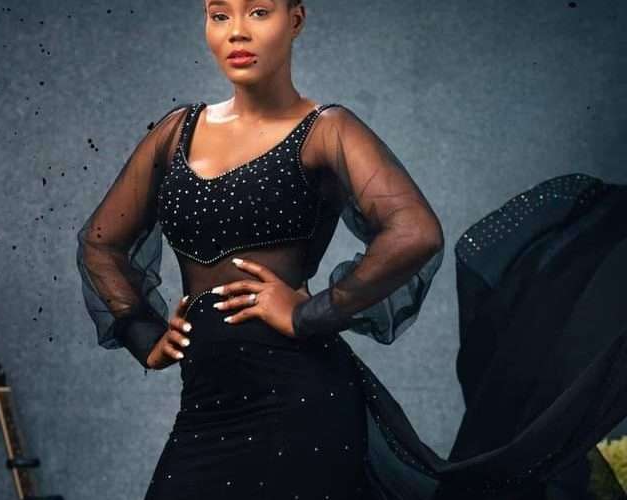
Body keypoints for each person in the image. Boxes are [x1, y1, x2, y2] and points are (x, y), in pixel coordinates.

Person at [76, 0, 627, 498]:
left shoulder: (326, 130)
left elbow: (415, 232)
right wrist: (145, 334)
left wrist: (308, 312)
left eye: (259, 12)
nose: (236, 32)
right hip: (205, 408)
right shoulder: (176, 132)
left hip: (300, 406)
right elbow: (101, 244)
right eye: (219, 15)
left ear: (295, 19)